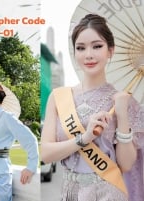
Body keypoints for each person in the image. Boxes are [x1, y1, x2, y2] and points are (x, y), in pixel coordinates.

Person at [41, 14, 144, 201]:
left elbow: (127, 164)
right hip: (69, 192)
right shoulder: (58, 97)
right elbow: (46, 154)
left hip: (108, 192)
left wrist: (122, 115)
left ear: (110, 51)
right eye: (81, 48)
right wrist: (84, 138)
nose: (88, 54)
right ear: (74, 52)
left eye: (97, 46)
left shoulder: (123, 101)